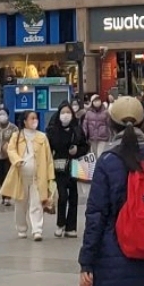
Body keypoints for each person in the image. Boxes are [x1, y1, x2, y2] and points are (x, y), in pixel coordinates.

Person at [79, 95, 144, 286]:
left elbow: (96, 216)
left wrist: (87, 261)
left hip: (114, 257)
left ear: (111, 124)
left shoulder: (107, 162)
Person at [0, 110, 53, 241]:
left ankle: (37, 230)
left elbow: (48, 158)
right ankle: (21, 228)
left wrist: (50, 177)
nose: (34, 121)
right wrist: (18, 160)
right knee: (20, 203)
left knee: (37, 203)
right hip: (21, 175)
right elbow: (11, 150)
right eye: (31, 118)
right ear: (25, 121)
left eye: (36, 118)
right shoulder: (17, 136)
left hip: (37, 176)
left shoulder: (42, 137)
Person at [47, 100, 89, 238]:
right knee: (62, 196)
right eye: (63, 112)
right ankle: (60, 223)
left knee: (73, 197)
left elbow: (85, 146)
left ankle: (71, 227)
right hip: (59, 166)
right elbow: (48, 149)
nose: (65, 115)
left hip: (74, 165)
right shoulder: (53, 130)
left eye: (68, 112)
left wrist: (77, 150)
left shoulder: (77, 129)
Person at [0, 107, 18, 205]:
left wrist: (9, 145)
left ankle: (8, 196)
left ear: (7, 116)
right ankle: (3, 195)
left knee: (8, 176)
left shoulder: (13, 128)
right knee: (0, 176)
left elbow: (17, 141)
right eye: (0, 114)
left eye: (3, 114)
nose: (1, 116)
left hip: (9, 156)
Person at [83, 93, 111, 158]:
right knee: (93, 156)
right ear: (92, 102)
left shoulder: (105, 112)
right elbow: (85, 126)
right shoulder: (88, 113)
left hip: (103, 139)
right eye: (95, 101)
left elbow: (109, 125)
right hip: (92, 139)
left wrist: (110, 137)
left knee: (100, 155)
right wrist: (84, 137)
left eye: (98, 100)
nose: (97, 102)